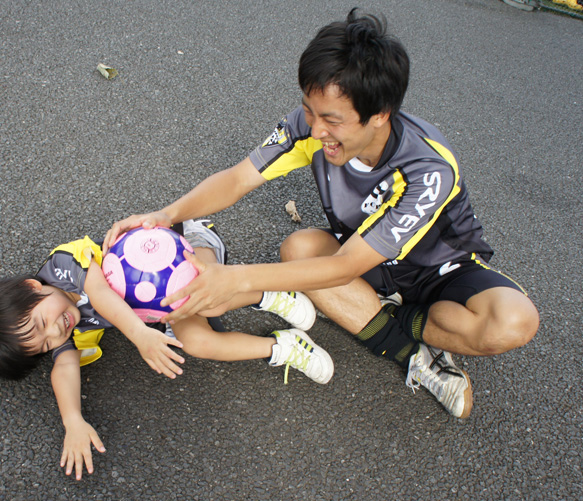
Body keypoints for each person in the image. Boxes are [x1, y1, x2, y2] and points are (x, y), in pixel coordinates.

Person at [103, 9, 540, 419]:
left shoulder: (428, 169)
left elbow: (345, 266)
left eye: (331, 119)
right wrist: (165, 215)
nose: (315, 129)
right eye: (309, 110)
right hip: (366, 260)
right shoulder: (308, 126)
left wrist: (235, 279)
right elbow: (237, 179)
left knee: (513, 322)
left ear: (379, 114)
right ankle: (412, 356)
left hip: (438, 270)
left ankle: (393, 319)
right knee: (300, 249)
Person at [0, 219, 333, 480]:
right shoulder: (61, 331)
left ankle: (270, 294)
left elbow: (100, 294)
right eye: (43, 345)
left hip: (186, 248)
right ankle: (283, 347)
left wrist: (140, 335)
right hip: (161, 305)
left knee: (207, 303)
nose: (56, 331)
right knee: (197, 342)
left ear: (32, 289)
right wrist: (72, 421)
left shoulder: (62, 266)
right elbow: (64, 367)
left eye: (41, 323)